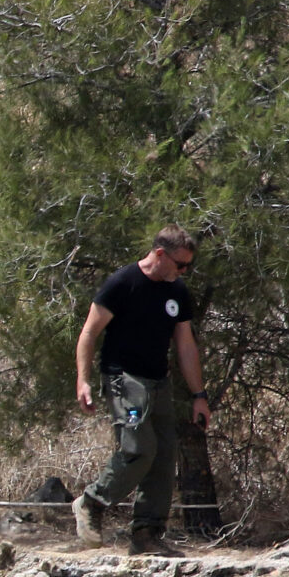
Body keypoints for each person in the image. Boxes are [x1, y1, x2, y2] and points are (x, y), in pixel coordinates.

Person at [71, 224, 213, 556]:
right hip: (124, 379)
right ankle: (91, 502)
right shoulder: (122, 283)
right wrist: (83, 379)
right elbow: (89, 333)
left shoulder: (176, 291)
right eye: (180, 265)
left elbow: (186, 346)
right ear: (160, 254)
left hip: (158, 381)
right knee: (139, 447)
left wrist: (199, 395)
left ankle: (147, 534)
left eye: (188, 267)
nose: (184, 272)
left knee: (164, 455)